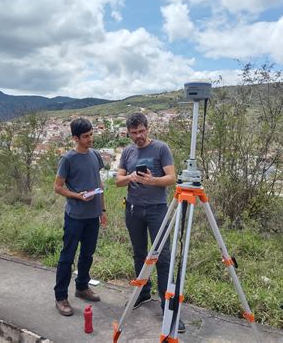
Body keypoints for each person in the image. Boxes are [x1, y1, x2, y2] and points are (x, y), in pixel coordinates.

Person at [115, 112, 185, 333]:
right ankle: (143, 293)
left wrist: (152, 180)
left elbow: (172, 178)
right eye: (134, 133)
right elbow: (118, 180)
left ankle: (168, 308)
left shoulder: (161, 148)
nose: (139, 136)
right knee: (140, 254)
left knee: (163, 258)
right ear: (128, 133)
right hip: (133, 209)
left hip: (157, 210)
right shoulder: (127, 151)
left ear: (148, 128)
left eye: (141, 131)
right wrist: (131, 177)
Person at [53, 117, 107, 316]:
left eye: (91, 134)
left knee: (87, 254)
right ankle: (61, 297)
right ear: (75, 138)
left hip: (93, 216)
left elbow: (99, 183)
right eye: (86, 136)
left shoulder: (95, 155)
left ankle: (82, 287)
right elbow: (57, 187)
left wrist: (103, 211)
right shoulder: (68, 159)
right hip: (75, 216)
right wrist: (77, 196)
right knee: (67, 257)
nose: (90, 139)